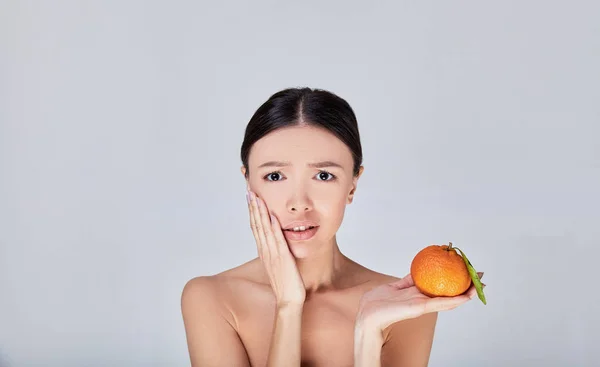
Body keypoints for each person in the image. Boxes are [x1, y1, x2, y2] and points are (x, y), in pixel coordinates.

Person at [181, 87, 484, 367]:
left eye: (324, 176)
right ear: (248, 181)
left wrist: (368, 333)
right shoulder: (211, 298)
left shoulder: (403, 306)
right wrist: (288, 305)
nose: (299, 203)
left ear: (352, 185)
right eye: (275, 176)